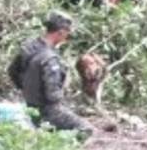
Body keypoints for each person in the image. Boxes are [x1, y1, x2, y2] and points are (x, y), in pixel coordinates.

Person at [7, 11, 93, 140]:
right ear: (61, 32)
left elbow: (12, 71)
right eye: (67, 33)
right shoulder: (49, 58)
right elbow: (52, 95)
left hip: (29, 105)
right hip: (46, 110)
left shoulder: (29, 48)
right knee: (85, 129)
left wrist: (26, 88)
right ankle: (61, 148)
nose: (67, 37)